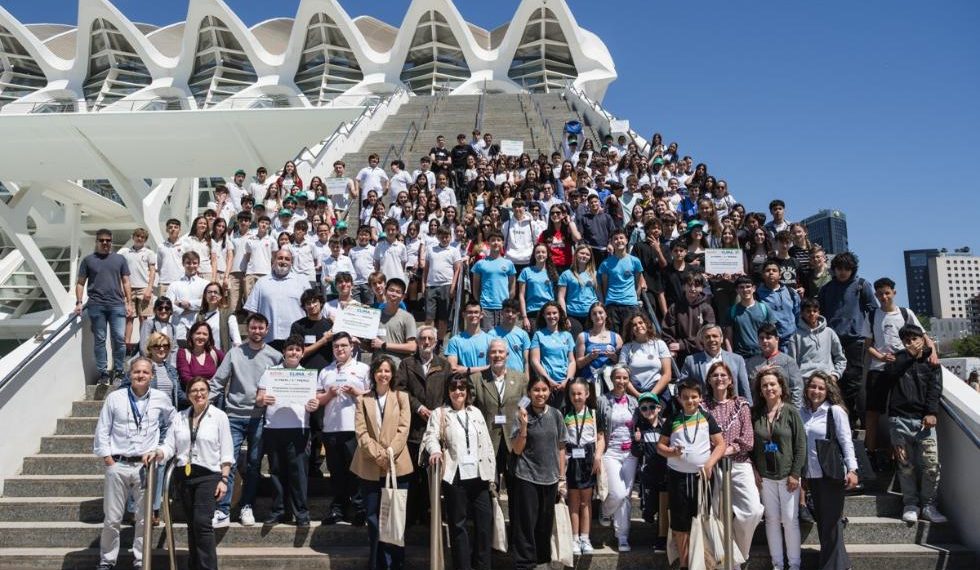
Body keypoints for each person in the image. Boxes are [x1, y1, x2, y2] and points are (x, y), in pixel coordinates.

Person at [93, 357, 176, 570]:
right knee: (112, 519)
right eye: (136, 371)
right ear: (130, 374)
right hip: (118, 464)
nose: (140, 375)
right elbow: (103, 429)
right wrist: (108, 459)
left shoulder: (161, 398)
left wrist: (161, 450)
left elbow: (174, 424)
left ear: (152, 376)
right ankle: (107, 561)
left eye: (145, 372)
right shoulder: (115, 398)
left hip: (145, 467)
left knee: (143, 519)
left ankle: (141, 560)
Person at [208, 313, 283, 527]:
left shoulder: (275, 356)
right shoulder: (234, 353)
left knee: (253, 464)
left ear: (266, 330)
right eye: (253, 328)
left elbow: (283, 386)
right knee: (228, 463)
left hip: (260, 418)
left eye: (261, 328)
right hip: (234, 416)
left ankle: (247, 506)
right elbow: (218, 382)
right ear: (247, 330)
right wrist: (202, 403)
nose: (257, 331)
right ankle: (222, 510)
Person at [154, 376, 233, 570]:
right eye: (194, 391)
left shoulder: (219, 416)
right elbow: (170, 445)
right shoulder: (180, 417)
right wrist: (159, 453)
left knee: (202, 523)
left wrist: (224, 478)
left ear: (208, 393)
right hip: (184, 476)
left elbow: (227, 450)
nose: (199, 394)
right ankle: (194, 566)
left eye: (202, 390)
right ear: (188, 395)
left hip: (209, 475)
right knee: (192, 525)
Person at [423, 374, 496, 570]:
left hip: (479, 475)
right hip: (454, 476)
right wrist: (435, 450)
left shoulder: (476, 412)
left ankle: (483, 566)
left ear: (467, 391)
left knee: (484, 524)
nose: (458, 392)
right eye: (454, 388)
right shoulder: (440, 413)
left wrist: (492, 474)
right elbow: (430, 437)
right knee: (458, 525)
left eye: (462, 388)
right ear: (448, 391)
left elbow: (487, 444)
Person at [862, 278, 935, 462]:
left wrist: (933, 353)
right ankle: (870, 453)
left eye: (887, 293)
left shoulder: (905, 313)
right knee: (872, 412)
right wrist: (880, 357)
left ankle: (900, 455)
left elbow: (924, 336)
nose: (883, 297)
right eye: (879, 294)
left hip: (903, 369)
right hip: (879, 369)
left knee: (899, 411)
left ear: (894, 292)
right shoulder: (872, 315)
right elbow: (868, 345)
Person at [351, 357, 413, 570]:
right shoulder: (363, 399)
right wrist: (378, 455)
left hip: (398, 466)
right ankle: (377, 563)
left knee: (395, 518)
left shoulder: (402, 397)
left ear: (392, 374)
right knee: (374, 518)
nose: (383, 374)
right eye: (379, 370)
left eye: (387, 371)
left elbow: (404, 429)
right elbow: (361, 431)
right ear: (373, 374)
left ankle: (395, 563)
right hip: (370, 465)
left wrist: (389, 454)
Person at [657, 379, 726, 570]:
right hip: (677, 477)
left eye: (694, 397)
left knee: (701, 519)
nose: (690, 401)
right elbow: (660, 446)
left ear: (701, 398)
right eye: (686, 397)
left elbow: (720, 444)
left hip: (701, 478)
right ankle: (685, 563)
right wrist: (671, 452)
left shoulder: (706, 417)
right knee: (680, 523)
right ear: (679, 399)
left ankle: (704, 562)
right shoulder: (672, 419)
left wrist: (710, 464)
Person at [883, 325, 947, 523]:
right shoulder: (897, 359)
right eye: (907, 340)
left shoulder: (932, 361)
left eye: (914, 338)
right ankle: (910, 504)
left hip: (924, 422)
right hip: (899, 419)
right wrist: (908, 356)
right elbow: (889, 377)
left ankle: (928, 505)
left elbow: (935, 389)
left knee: (931, 465)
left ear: (922, 338)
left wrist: (931, 412)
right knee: (905, 465)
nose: (911, 343)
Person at [704, 361, 763, 564]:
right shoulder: (702, 406)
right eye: (715, 375)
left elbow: (748, 439)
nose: (719, 378)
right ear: (709, 380)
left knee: (753, 511)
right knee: (717, 516)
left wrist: (726, 449)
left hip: (739, 464)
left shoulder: (741, 404)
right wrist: (715, 456)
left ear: (730, 380)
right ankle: (723, 561)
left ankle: (738, 555)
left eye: (723, 375)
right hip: (713, 466)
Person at [800, 372, 860, 570]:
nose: (816, 391)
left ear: (828, 391)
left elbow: (846, 441)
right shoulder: (803, 412)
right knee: (825, 524)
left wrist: (852, 469)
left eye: (821, 388)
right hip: (812, 475)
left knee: (831, 523)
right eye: (813, 387)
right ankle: (840, 565)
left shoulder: (834, 411)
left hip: (831, 474)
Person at [395, 325, 453, 526]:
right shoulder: (406, 364)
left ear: (436, 342)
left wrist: (438, 414)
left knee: (433, 473)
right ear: (417, 341)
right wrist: (418, 407)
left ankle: (430, 512)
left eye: (430, 339)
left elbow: (450, 393)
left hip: (436, 429)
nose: (426, 342)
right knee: (412, 474)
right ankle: (412, 514)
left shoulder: (444, 366)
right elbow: (400, 390)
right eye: (422, 339)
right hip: (413, 427)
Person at [509, 376, 567, 570]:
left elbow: (561, 447)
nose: (540, 394)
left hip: (550, 478)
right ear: (529, 393)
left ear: (549, 392)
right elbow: (516, 450)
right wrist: (524, 426)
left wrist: (561, 477)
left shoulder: (556, 415)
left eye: (544, 390)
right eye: (536, 390)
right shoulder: (521, 415)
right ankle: (525, 564)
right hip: (527, 476)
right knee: (525, 524)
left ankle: (542, 561)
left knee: (544, 523)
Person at [751, 367, 806, 570]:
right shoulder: (755, 414)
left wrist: (795, 474)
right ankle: (777, 564)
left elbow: (801, 445)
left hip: (787, 476)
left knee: (790, 520)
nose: (769, 388)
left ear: (781, 388)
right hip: (765, 477)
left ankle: (794, 565)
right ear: (760, 390)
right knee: (771, 520)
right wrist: (755, 471)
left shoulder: (791, 411)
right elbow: (751, 446)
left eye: (773, 384)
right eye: (764, 385)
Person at [315, 332, 370, 526]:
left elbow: (372, 396)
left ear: (352, 347)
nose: (340, 349)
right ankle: (337, 509)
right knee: (336, 472)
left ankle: (358, 508)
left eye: (344, 346)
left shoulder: (363, 369)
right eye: (336, 346)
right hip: (331, 428)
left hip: (354, 428)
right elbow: (317, 400)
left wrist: (357, 393)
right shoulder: (326, 371)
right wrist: (329, 394)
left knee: (355, 471)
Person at [817, 252, 877, 428]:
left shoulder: (861, 285)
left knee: (853, 380)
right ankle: (838, 417)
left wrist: (868, 333)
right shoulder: (826, 289)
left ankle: (851, 417)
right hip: (832, 340)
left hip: (855, 340)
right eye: (839, 268)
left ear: (853, 269)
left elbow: (872, 309)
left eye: (847, 269)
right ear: (833, 269)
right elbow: (819, 313)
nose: (842, 272)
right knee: (834, 379)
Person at [76, 229, 133, 385]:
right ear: (97, 241)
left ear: (111, 241)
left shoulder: (120, 259)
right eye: (101, 240)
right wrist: (79, 302)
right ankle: (103, 374)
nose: (105, 243)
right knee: (100, 340)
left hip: (117, 305)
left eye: (108, 240)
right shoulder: (88, 260)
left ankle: (119, 371)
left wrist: (129, 303)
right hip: (96, 305)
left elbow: (126, 282)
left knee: (119, 339)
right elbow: (80, 283)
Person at [468, 338, 526, 487]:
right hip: (487, 438)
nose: (497, 355)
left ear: (507, 355)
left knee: (516, 487)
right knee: (488, 488)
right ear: (488, 355)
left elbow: (525, 402)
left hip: (512, 439)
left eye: (501, 352)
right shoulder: (476, 379)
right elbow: (470, 408)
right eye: (493, 352)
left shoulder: (520, 378)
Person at [598, 365, 640, 552]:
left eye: (625, 378)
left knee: (626, 497)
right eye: (618, 378)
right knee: (617, 493)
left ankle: (622, 536)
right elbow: (599, 429)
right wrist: (598, 453)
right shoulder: (602, 400)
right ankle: (605, 511)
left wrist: (638, 435)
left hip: (630, 453)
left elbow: (641, 423)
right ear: (612, 379)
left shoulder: (634, 402)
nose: (621, 381)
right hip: (611, 452)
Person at [562, 378, 603, 555]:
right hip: (571, 460)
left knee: (586, 501)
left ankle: (585, 538)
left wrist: (598, 457)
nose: (576, 397)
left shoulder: (594, 413)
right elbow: (561, 442)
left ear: (587, 394)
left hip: (588, 460)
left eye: (580, 393)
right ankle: (574, 538)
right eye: (573, 394)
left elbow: (601, 438)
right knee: (573, 501)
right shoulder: (565, 413)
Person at [679, 323, 753, 404]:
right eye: (707, 337)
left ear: (721, 339)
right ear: (702, 341)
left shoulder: (737, 360)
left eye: (715, 336)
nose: (711, 339)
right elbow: (681, 385)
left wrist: (749, 407)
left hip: (732, 409)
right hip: (702, 411)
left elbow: (744, 388)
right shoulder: (691, 361)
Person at [632, 391, 669, 550]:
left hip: (665, 472)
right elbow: (637, 453)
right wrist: (637, 441)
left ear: (659, 408)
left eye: (652, 407)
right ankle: (648, 514)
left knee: (663, 506)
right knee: (650, 508)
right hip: (648, 474)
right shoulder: (640, 429)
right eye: (644, 408)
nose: (649, 411)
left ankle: (662, 539)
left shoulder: (666, 427)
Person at [597, 229, 646, 334]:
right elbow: (604, 286)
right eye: (615, 239)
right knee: (615, 335)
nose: (619, 241)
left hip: (630, 304)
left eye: (621, 238)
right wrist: (606, 302)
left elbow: (638, 282)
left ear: (627, 240)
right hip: (612, 304)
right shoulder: (605, 264)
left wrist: (636, 298)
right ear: (611, 242)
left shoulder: (635, 261)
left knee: (630, 335)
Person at [747, 323, 805, 408]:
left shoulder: (788, 362)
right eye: (761, 338)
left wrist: (794, 411)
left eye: (768, 337)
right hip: (759, 411)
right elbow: (748, 389)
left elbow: (797, 388)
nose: (764, 341)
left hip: (783, 410)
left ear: (777, 339)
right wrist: (759, 375)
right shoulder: (752, 363)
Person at [662, 273, 715, 364]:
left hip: (702, 354)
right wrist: (671, 345)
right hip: (680, 356)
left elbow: (708, 334)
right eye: (690, 285)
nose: (693, 289)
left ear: (702, 288)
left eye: (697, 286)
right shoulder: (674, 308)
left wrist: (683, 345)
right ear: (684, 287)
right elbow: (667, 332)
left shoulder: (707, 308)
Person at [529, 301, 576, 404]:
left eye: (554, 313)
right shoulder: (538, 335)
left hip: (564, 384)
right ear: (544, 316)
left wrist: (567, 380)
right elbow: (534, 361)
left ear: (559, 314)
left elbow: (572, 361)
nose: (552, 316)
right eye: (548, 313)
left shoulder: (567, 335)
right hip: (546, 385)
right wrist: (548, 380)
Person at [118, 228, 156, 356]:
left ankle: (143, 345)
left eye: (142, 237)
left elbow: (152, 272)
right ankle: (126, 346)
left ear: (145, 239)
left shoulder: (149, 253)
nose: (140, 239)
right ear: (132, 237)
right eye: (137, 236)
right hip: (128, 288)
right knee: (129, 318)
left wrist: (149, 288)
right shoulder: (125, 253)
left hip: (143, 287)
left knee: (143, 318)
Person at [422, 226, 462, 341]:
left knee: (443, 318)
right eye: (442, 237)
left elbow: (457, 270)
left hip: (446, 285)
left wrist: (453, 286)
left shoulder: (454, 251)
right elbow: (426, 269)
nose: (445, 239)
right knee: (429, 317)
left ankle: (439, 341)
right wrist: (423, 285)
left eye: (447, 237)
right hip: (431, 286)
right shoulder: (431, 249)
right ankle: (427, 339)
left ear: (450, 237)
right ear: (438, 237)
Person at [471, 231, 516, 330]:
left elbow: (512, 287)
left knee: (503, 338)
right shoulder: (480, 264)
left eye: (498, 240)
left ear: (503, 243)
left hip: (503, 307)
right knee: (487, 339)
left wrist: (508, 304)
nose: (496, 243)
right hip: (486, 307)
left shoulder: (509, 264)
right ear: (488, 243)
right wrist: (480, 304)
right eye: (493, 240)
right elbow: (475, 287)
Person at [620, 313, 672, 398]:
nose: (638, 326)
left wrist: (652, 394)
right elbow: (622, 375)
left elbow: (667, 374)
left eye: (641, 322)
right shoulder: (626, 348)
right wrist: (638, 395)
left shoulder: (659, 344)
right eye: (634, 325)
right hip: (635, 392)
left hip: (659, 391)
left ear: (646, 324)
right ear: (631, 330)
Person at [166, 252, 209, 349]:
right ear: (183, 264)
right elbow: (169, 305)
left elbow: (206, 303)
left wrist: (185, 304)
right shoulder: (174, 285)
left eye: (194, 263)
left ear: (198, 264)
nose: (191, 266)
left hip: (198, 325)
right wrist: (187, 310)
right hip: (178, 326)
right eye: (188, 263)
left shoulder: (205, 284)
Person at [557, 245, 600, 336]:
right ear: (576, 254)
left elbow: (599, 295)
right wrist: (564, 317)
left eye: (587, 254)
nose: (584, 256)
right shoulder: (566, 274)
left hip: (591, 314)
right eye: (582, 253)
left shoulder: (595, 274)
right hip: (573, 314)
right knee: (576, 344)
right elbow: (561, 297)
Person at [574, 302, 622, 381]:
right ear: (591, 317)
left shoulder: (616, 337)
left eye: (600, 313)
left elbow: (622, 363)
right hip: (589, 380)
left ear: (606, 314)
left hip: (610, 381)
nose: (598, 316)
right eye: (594, 314)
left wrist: (613, 357)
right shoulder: (582, 336)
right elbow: (579, 364)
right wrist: (590, 357)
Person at [730, 276, 774, 360]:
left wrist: (772, 354)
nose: (745, 290)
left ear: (754, 288)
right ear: (737, 290)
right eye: (741, 287)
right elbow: (728, 337)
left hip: (762, 354)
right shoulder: (732, 311)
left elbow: (773, 333)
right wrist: (731, 356)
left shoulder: (764, 308)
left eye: (748, 286)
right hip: (741, 356)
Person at [445, 300, 492, 375]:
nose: (473, 315)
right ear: (464, 315)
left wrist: (467, 370)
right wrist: (486, 368)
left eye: (476, 312)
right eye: (470, 312)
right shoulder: (455, 341)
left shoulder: (490, 340)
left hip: (485, 384)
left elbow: (495, 367)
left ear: (481, 315)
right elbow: (452, 368)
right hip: (465, 383)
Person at [518, 244, 557, 332]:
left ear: (547, 255)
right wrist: (524, 317)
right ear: (534, 255)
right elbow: (521, 295)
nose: (541, 254)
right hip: (532, 312)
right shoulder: (526, 271)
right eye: (538, 252)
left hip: (549, 312)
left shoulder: (552, 272)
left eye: (543, 252)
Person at [488, 299, 531, 376]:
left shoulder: (523, 334)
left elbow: (526, 361)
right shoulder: (491, 334)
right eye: (507, 311)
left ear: (518, 314)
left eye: (513, 312)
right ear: (502, 313)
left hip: (518, 377)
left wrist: (526, 379)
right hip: (497, 376)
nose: (510, 314)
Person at [177, 322, 225, 388]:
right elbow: (185, 377)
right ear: (191, 335)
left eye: (205, 334)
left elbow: (229, 364)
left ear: (209, 337)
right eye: (198, 333)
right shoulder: (183, 353)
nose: (201, 336)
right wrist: (204, 385)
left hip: (214, 395)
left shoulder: (214, 352)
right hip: (193, 394)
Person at [196, 282, 240, 352]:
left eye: (215, 292)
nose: (212, 294)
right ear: (205, 296)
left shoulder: (228, 315)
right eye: (209, 292)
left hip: (222, 356)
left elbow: (236, 339)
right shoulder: (199, 316)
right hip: (203, 357)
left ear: (221, 296)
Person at [140, 297, 177, 367]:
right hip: (150, 364)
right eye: (160, 308)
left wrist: (172, 365)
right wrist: (151, 364)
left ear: (171, 311)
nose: (163, 310)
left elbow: (174, 349)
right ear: (155, 310)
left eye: (167, 308)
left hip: (167, 365)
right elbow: (143, 347)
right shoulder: (148, 324)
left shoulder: (173, 328)